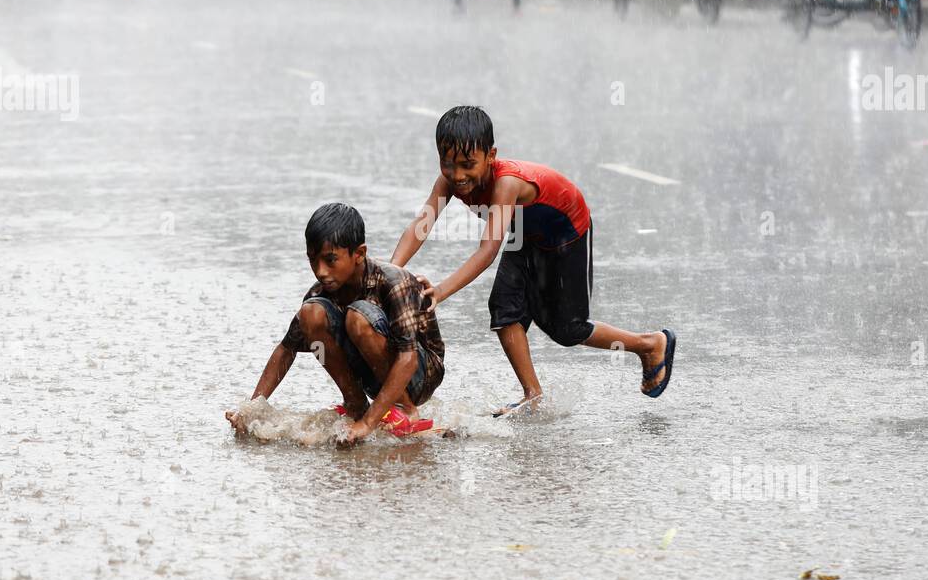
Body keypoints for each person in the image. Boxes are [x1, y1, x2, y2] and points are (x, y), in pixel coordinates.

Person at [391, 106, 675, 416]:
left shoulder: (506, 184)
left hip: (567, 233)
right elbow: (422, 225)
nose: (457, 175)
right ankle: (532, 396)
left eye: (467, 165)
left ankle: (649, 344)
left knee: (566, 329)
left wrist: (441, 292)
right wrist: (390, 273)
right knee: (503, 309)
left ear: (491, 156)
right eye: (448, 164)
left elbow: (487, 251)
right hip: (526, 233)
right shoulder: (446, 183)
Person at [228, 203, 446, 445]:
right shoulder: (320, 293)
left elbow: (409, 358)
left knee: (357, 317)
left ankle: (405, 410)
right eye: (313, 260)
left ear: (359, 254)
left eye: (330, 260)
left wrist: (367, 424)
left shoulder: (394, 282)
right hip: (374, 375)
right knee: (310, 314)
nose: (320, 271)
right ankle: (355, 402)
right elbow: (285, 350)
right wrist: (251, 410)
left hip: (419, 373)